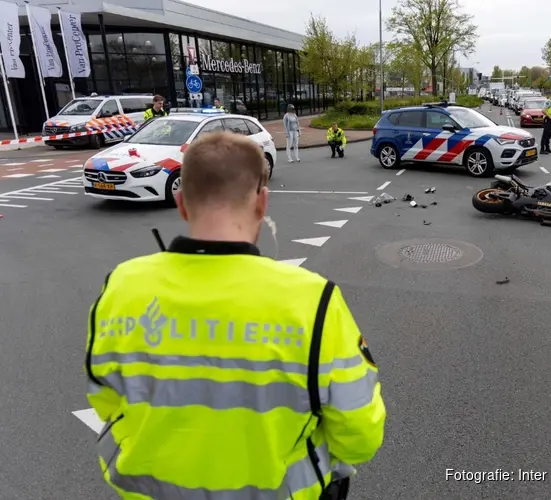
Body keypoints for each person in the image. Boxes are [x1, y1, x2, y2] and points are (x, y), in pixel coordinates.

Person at [84, 132, 386, 500]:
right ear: (262, 203)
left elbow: (105, 399)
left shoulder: (121, 286)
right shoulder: (313, 301)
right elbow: (359, 433)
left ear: (181, 203)